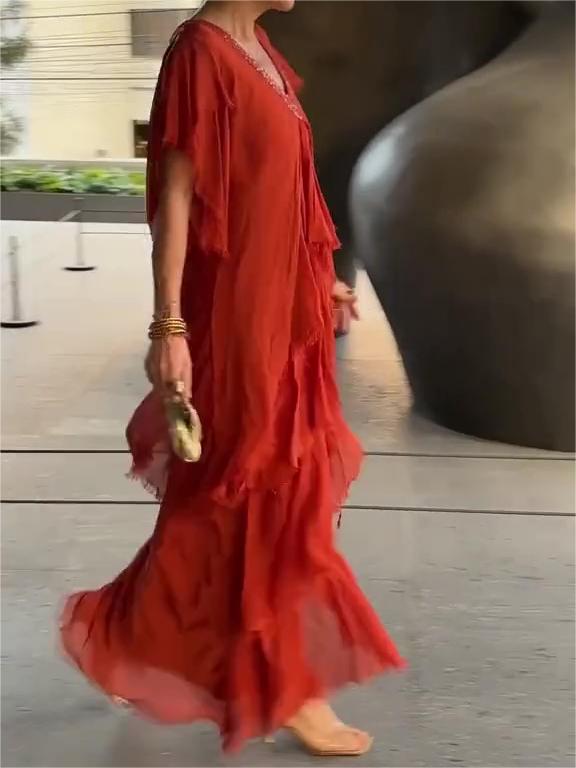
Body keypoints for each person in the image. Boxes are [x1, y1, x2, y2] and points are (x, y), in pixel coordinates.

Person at [60, 0, 405, 756]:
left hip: (287, 312)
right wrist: (169, 329)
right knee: (255, 491)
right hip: (239, 319)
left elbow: (277, 185)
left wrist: (317, 277)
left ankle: (123, 633)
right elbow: (176, 200)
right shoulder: (201, 53)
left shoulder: (261, 51)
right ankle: (287, 687)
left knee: (258, 492)